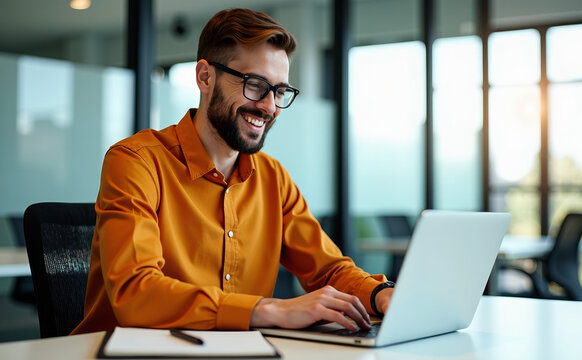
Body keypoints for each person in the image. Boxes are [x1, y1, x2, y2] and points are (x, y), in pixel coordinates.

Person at [72, 8, 393, 335]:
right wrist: (270, 309)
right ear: (205, 77)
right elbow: (135, 292)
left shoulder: (273, 178)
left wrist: (382, 295)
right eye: (255, 84)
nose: (269, 107)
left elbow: (327, 271)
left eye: (280, 91)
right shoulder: (136, 162)